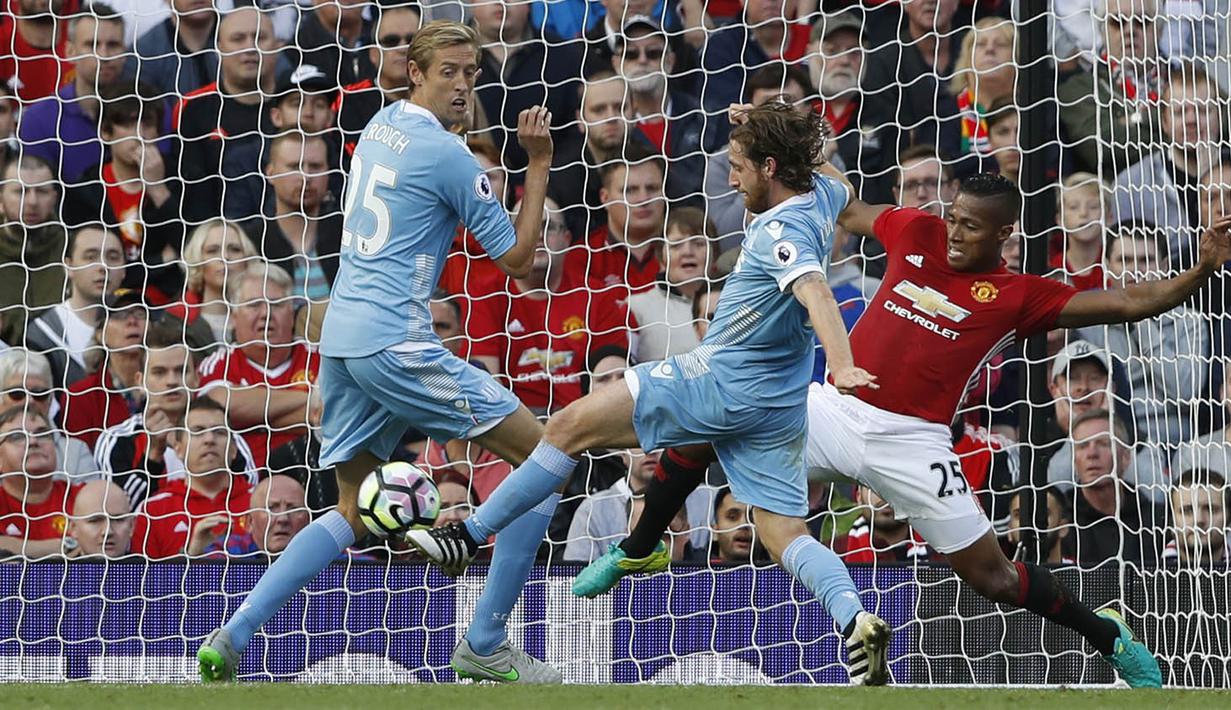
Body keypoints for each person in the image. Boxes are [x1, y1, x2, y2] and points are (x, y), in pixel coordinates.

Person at [574, 160, 1231, 687]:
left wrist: (1201, 267)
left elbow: (1126, 302)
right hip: (833, 406)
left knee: (994, 579)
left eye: (969, 227)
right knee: (707, 422)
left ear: (1001, 235)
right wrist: (789, 148)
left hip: (913, 442)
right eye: (951, 218)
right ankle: (639, 547)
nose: (952, 233)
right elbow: (840, 202)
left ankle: (1107, 636)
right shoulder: (914, 231)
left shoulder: (1017, 296)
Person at [409, 102, 892, 686]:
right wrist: (773, 122)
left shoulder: (779, 228)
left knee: (564, 429)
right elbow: (829, 173)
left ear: (770, 167)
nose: (732, 181)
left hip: (715, 382)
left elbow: (816, 291)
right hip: (777, 404)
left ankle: (468, 534)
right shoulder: (821, 194)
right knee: (784, 531)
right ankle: (855, 615)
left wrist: (841, 366)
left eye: (739, 167)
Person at [198, 20, 560, 684]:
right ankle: (483, 634)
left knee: (348, 510)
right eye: (447, 71)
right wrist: (537, 163)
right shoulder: (452, 157)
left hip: (341, 338)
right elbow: (514, 258)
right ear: (415, 72)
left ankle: (234, 632)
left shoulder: (379, 126)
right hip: (396, 340)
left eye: (471, 72)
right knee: (546, 459)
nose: (461, 84)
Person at [466, 197, 630, 414]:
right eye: (527, 228)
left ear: (567, 238)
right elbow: (487, 388)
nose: (539, 236)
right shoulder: (484, 294)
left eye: (549, 227)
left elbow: (613, 381)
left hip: (582, 421)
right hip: (512, 424)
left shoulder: (596, 296)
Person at [96, 322, 257, 509]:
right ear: (140, 381)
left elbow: (249, 500)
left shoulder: (223, 435)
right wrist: (153, 457)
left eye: (181, 371)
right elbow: (119, 513)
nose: (172, 381)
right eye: (159, 372)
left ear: (196, 379)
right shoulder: (116, 439)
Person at [197, 263, 319, 468]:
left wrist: (253, 418)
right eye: (254, 304)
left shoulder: (320, 356)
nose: (266, 313)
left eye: (277, 304)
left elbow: (336, 413)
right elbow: (219, 405)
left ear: (292, 314)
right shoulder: (219, 363)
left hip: (313, 473)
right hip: (243, 482)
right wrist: (312, 400)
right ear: (234, 318)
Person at [16, 3, 127, 184]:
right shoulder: (39, 120)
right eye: (92, 44)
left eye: (113, 45)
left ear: (125, 51)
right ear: (70, 52)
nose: (104, 55)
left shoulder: (149, 109)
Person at [131, 396, 254, 558]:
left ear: (234, 450)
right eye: (198, 431)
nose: (209, 439)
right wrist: (191, 555)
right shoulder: (153, 511)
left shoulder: (262, 502)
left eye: (219, 432)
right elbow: (142, 582)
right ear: (178, 449)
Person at [24, 225, 126, 389]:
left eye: (113, 257)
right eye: (90, 257)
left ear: (124, 269)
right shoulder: (41, 332)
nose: (103, 267)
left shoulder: (143, 325)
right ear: (69, 266)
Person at [1068, 409, 1166, 567]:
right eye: (1083, 446)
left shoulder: (1156, 520)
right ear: (1074, 460)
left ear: (1126, 457)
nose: (1092, 453)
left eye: (1104, 444)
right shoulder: (1063, 520)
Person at [627, 206, 715, 362]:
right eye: (676, 245)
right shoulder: (636, 307)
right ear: (661, 257)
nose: (688, 252)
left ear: (715, 253)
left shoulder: (733, 302)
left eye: (699, 243)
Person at [0, 348, 97, 479]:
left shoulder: (74, 452)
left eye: (39, 393)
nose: (29, 401)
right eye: (17, 393)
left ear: (51, 399)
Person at [0, 155, 67, 345]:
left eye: (42, 191)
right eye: (21, 192)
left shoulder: (71, 249)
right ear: (1, 198)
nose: (32, 201)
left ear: (54, 198)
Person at [0, 407, 77, 558]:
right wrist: (64, 545)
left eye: (42, 434)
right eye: (17, 436)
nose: (33, 441)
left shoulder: (82, 497)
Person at [193, 474, 311, 557]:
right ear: (250, 522)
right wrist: (195, 555)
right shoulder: (228, 551)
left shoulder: (323, 555)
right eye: (271, 508)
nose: (283, 518)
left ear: (308, 520)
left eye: (294, 508)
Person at [1166, 468, 1228, 565]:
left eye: (1211, 509)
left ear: (1228, 518)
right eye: (1187, 511)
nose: (1199, 520)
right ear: (1171, 520)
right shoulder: (1145, 575)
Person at [65, 479, 133, 557]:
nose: (107, 532)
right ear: (73, 528)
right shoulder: (58, 569)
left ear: (131, 526)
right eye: (95, 521)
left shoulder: (147, 568)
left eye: (118, 520)